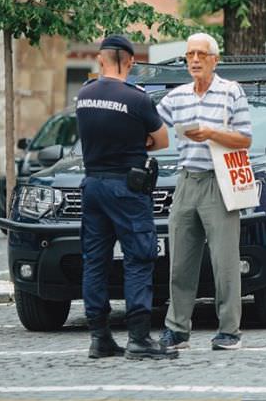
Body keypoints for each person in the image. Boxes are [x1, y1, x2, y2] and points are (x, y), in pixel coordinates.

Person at [76, 35, 176, 360]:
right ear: (130, 62)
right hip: (127, 188)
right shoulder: (137, 99)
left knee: (94, 260)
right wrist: (138, 141)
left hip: (92, 186)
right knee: (138, 259)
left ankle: (98, 337)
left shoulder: (84, 95)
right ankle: (138, 338)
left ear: (100, 60)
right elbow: (161, 141)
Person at [157, 33, 253, 350]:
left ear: (215, 59)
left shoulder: (231, 92)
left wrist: (211, 133)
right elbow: (153, 126)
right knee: (180, 261)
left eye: (201, 54)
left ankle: (229, 331)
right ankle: (177, 329)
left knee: (224, 262)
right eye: (189, 55)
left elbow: (245, 139)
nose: (195, 60)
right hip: (186, 181)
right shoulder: (177, 96)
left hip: (219, 180)